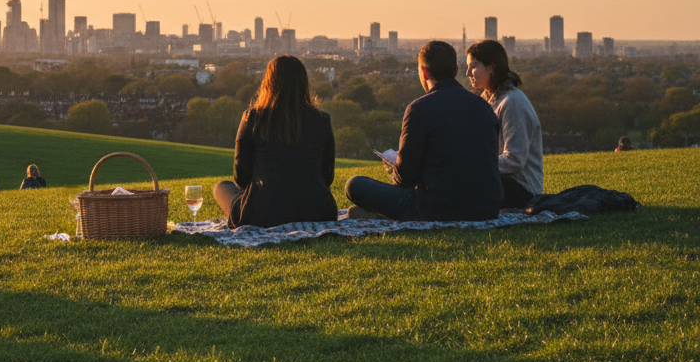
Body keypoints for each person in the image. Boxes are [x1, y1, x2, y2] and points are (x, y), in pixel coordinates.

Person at [345, 41, 503, 222]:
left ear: (424, 72)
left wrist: (396, 165)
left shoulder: (419, 109)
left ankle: (381, 215)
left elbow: (406, 179)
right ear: (456, 70)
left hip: (436, 208)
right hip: (486, 207)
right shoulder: (483, 107)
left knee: (355, 185)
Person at [213, 55, 337, 227]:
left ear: (269, 83)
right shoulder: (322, 120)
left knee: (221, 187)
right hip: (319, 212)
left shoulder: (253, 118)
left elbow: (241, 177)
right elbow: (327, 176)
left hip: (263, 214)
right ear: (303, 84)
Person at [466, 39, 543, 209]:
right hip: (500, 180)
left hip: (522, 189)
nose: (468, 73)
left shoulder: (512, 103)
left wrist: (474, 166)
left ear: (491, 68)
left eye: (473, 66)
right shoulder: (489, 99)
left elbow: (514, 160)